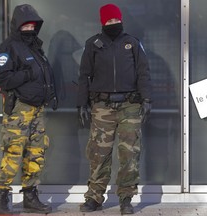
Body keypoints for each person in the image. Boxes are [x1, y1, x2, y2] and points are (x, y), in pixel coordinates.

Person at [77, 3, 152, 214]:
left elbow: (143, 72)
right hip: (102, 106)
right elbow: (84, 76)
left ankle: (126, 198)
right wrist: (82, 103)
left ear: (121, 20)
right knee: (98, 153)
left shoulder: (132, 43)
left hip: (130, 105)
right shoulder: (93, 44)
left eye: (116, 20)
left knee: (129, 153)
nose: (113, 23)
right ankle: (94, 198)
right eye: (109, 21)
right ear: (103, 22)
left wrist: (147, 99)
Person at [0, 4, 57, 214]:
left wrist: (51, 95)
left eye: (32, 24)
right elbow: (3, 78)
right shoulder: (8, 47)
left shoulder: (35, 47)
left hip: (38, 110)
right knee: (13, 152)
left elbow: (44, 74)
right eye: (25, 24)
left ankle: (31, 197)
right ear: (17, 25)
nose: (29, 28)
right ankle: (1, 199)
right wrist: (27, 75)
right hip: (19, 109)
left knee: (36, 153)